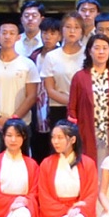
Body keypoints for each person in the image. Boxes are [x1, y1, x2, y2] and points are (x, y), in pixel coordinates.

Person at [34, 121, 100, 217]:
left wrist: (79, 208)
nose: (55, 142)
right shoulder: (46, 164)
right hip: (54, 214)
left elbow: (91, 193)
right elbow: (44, 197)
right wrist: (65, 210)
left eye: (60, 137)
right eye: (53, 137)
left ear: (72, 140)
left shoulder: (88, 164)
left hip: (79, 211)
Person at [0, 22, 41, 160]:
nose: (7, 36)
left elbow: (31, 96)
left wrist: (12, 120)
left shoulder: (28, 64)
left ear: (18, 37)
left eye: (12, 33)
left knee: (21, 164)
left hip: (20, 124)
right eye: (4, 33)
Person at [38, 16, 87, 163]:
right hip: (58, 108)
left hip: (85, 109)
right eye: (68, 27)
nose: (72, 31)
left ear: (82, 31)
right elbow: (50, 89)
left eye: (76, 27)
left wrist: (79, 105)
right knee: (59, 150)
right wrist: (72, 104)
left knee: (82, 150)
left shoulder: (88, 54)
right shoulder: (52, 56)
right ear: (62, 30)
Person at [68, 35, 109, 158]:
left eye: (105, 48)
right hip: (87, 131)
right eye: (97, 48)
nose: (101, 52)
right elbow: (72, 108)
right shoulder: (79, 77)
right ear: (89, 51)